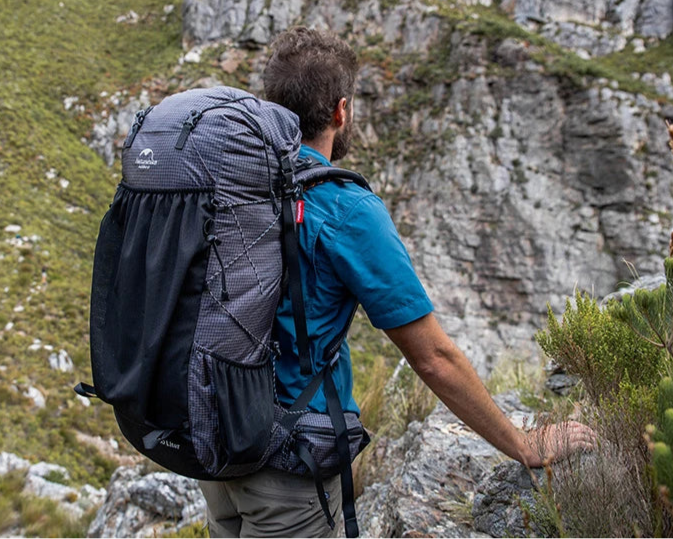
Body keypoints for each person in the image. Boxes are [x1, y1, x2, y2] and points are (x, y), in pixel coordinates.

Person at [198, 27, 595, 538]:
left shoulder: (229, 182)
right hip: (288, 468)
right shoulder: (346, 209)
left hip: (216, 446)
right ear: (341, 111)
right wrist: (523, 443)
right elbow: (433, 357)